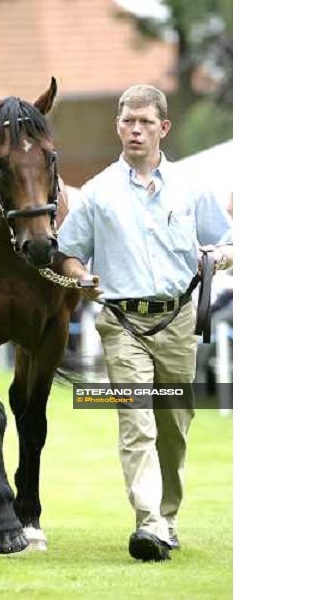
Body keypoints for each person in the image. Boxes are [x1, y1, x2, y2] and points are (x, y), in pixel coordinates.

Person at [56, 84, 233, 562]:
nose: (136, 129)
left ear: (163, 128)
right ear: (118, 126)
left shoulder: (193, 188)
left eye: (146, 122)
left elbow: (230, 242)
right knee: (137, 423)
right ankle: (149, 523)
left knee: (173, 425)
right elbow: (68, 252)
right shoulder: (96, 193)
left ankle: (168, 517)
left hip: (178, 321)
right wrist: (81, 278)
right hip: (121, 324)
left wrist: (217, 258)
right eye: (128, 121)